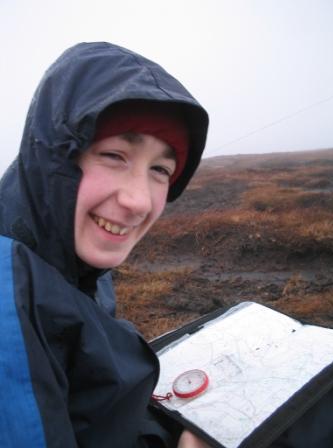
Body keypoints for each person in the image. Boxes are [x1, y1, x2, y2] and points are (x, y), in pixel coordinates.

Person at [0, 42, 210, 447]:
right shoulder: (9, 304)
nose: (139, 201)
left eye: (160, 170)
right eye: (114, 155)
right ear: (54, 159)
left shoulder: (73, 264)